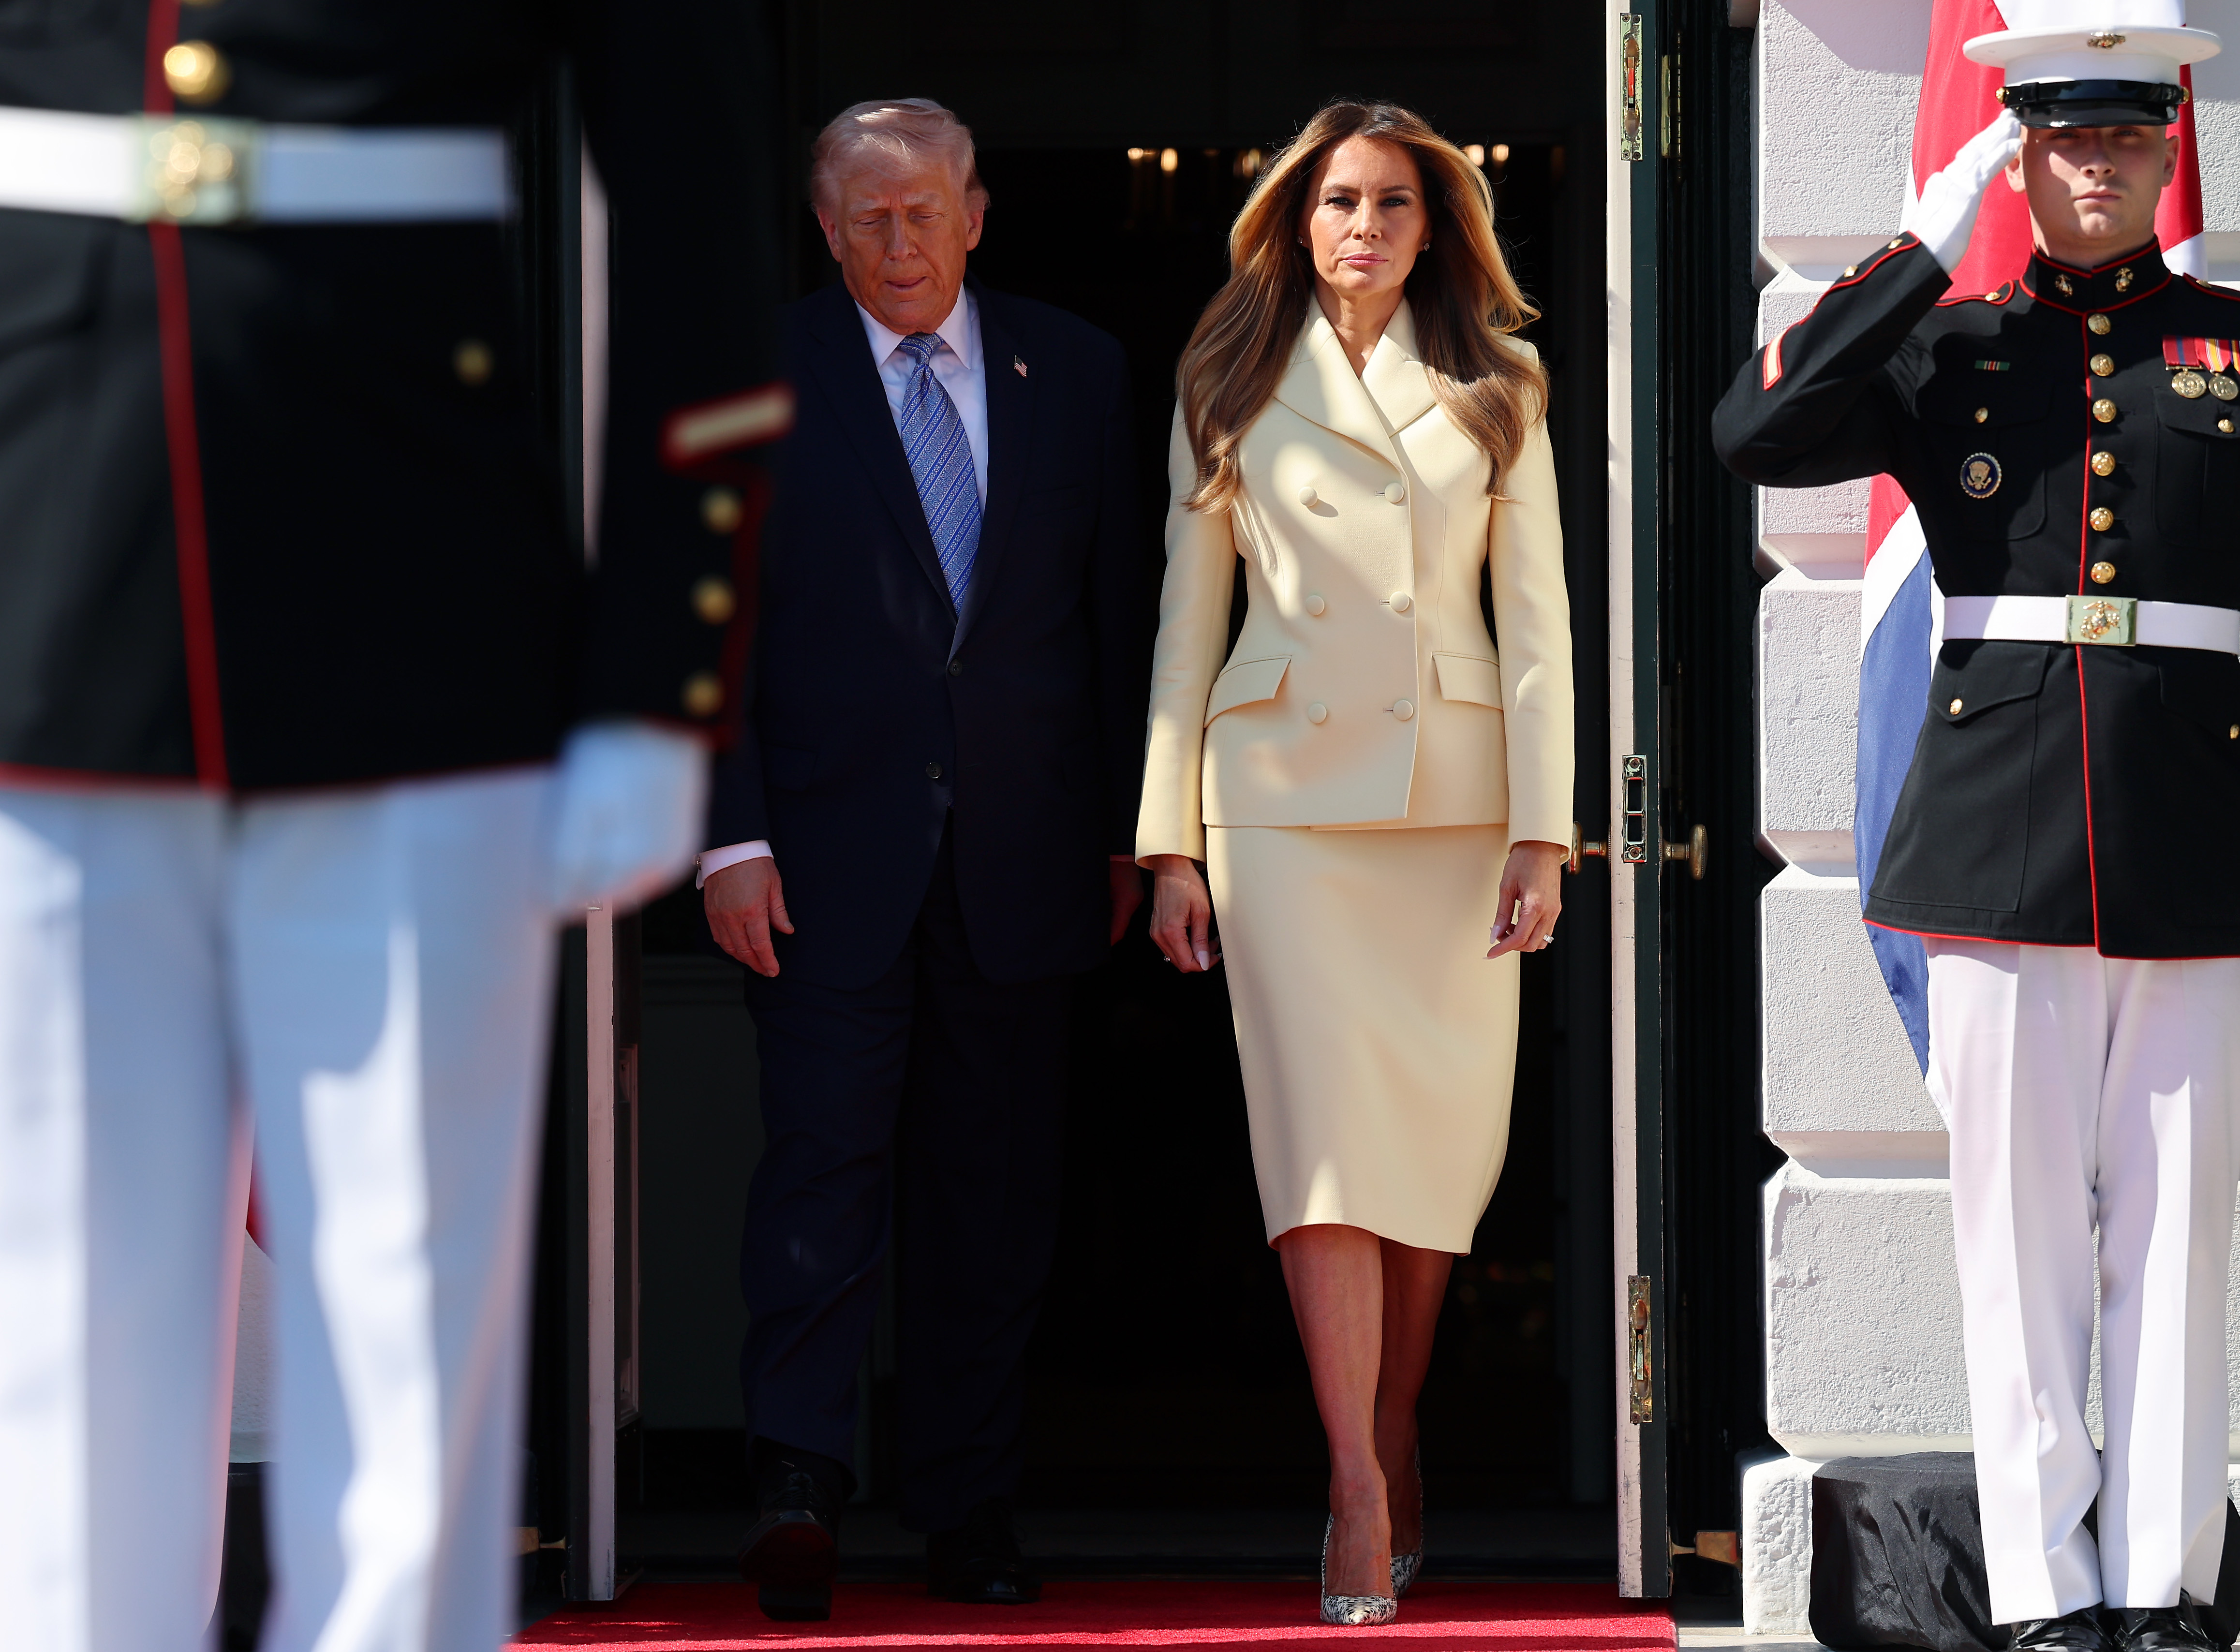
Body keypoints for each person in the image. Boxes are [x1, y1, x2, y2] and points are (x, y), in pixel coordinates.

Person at [0, 6, 784, 1651]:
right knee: (64, 1354)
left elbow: (698, 218)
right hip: (45, 604)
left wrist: (660, 677)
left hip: (415, 614)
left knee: (406, 1360)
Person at [1714, 10, 2240, 1652]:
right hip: (1992, 839)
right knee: (2012, 1251)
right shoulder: (1947, 343)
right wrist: (1917, 253)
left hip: (2197, 845)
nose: (2097, 166)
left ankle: (2154, 1588)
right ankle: (2041, 1593)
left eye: (2126, 139)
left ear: (2164, 151)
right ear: (2022, 150)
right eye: (2064, 140)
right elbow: (1756, 434)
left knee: (2176, 1237)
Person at [699, 98, 1147, 1621]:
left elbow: (1119, 624)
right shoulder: (756, 374)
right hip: (818, 859)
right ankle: (798, 1487)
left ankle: (968, 1509)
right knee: (818, 1180)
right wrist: (730, 836)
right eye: (866, 217)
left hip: (1027, 862)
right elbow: (713, 627)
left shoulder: (1077, 371)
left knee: (992, 1197)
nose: (899, 242)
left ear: (975, 214)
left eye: (923, 211)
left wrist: (1127, 839)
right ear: (824, 231)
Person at [1137, 99, 1574, 1627]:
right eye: (1338, 202)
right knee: (1319, 1151)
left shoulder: (1500, 381)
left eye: (1394, 203)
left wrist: (1543, 826)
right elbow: (1186, 633)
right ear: (1293, 220)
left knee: (1435, 1160)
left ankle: (1392, 1417)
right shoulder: (1230, 374)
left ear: (1434, 226)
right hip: (1283, 815)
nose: (1365, 229)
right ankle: (1355, 1478)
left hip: (1455, 818)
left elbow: (1537, 625)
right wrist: (1165, 841)